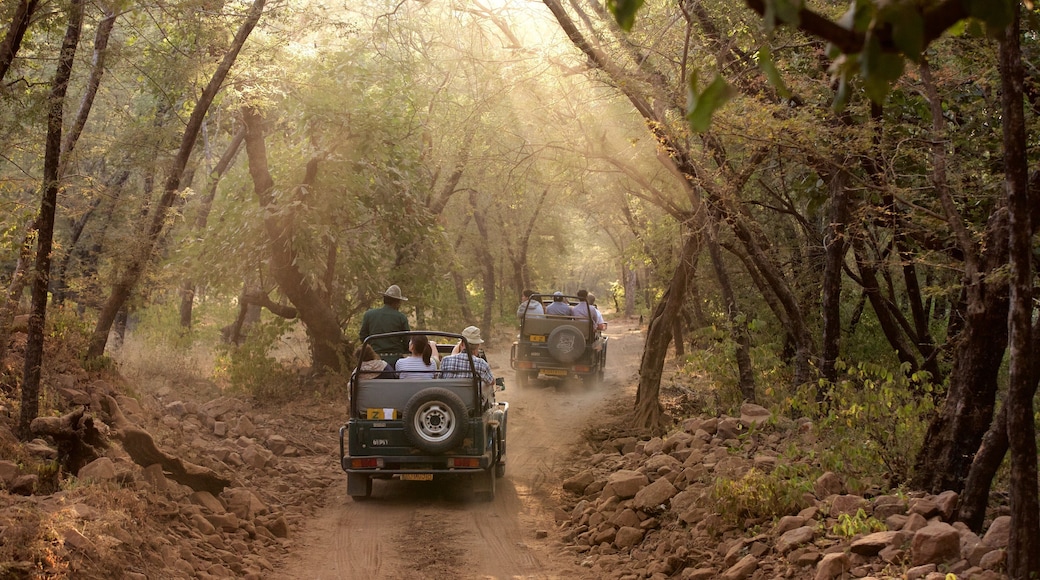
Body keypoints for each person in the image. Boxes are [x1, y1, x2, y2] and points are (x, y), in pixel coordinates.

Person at [359, 284, 410, 368]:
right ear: (396, 302)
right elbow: (406, 341)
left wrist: (372, 351)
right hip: (395, 360)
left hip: (374, 359)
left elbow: (363, 336)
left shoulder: (369, 315)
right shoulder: (401, 317)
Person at [440, 326, 495, 391]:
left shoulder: (446, 360)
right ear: (477, 345)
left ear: (462, 344)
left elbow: (439, 380)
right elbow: (491, 381)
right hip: (472, 400)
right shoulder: (482, 364)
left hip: (448, 400)